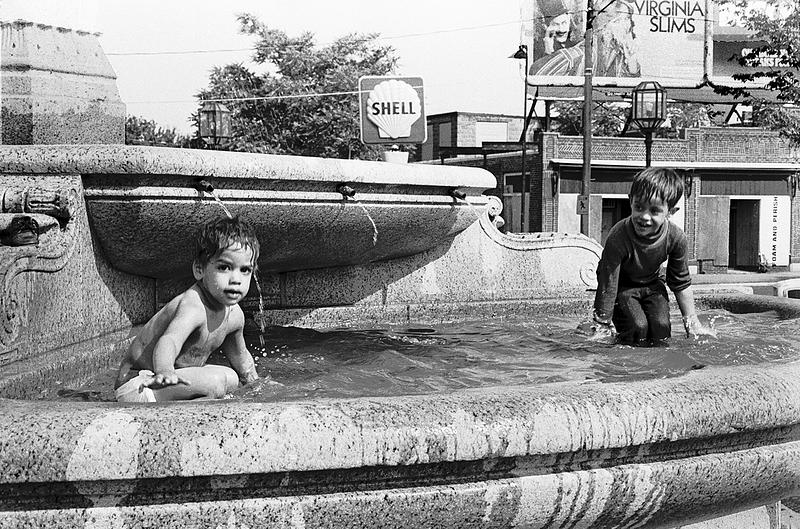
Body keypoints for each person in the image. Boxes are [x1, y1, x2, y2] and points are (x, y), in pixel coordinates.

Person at [114, 216, 261, 402]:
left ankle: (198, 408)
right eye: (224, 267)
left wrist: (257, 385)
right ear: (199, 269)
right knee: (214, 382)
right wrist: (165, 371)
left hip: (169, 384)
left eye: (245, 270)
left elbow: (242, 359)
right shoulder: (193, 306)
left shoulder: (235, 315)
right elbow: (169, 341)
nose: (236, 279)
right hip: (140, 384)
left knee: (231, 378)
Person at [590, 167, 716, 345]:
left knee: (661, 326)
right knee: (638, 326)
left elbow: (680, 282)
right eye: (639, 207)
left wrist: (692, 323)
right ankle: (626, 356)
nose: (644, 216)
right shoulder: (618, 236)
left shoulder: (676, 238)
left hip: (652, 285)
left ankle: (657, 364)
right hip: (623, 288)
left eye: (654, 210)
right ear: (630, 201)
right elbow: (608, 282)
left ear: (670, 212)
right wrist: (602, 323)